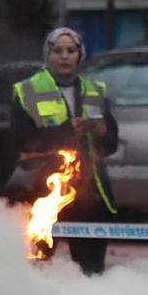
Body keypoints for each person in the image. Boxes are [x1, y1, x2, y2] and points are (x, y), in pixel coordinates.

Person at [10, 27, 119, 276]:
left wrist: (102, 132)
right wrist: (67, 130)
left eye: (71, 50)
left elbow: (112, 142)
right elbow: (23, 140)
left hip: (90, 194)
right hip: (42, 192)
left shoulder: (95, 91)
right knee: (37, 268)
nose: (65, 56)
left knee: (90, 273)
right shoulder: (27, 91)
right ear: (47, 55)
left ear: (80, 55)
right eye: (57, 50)